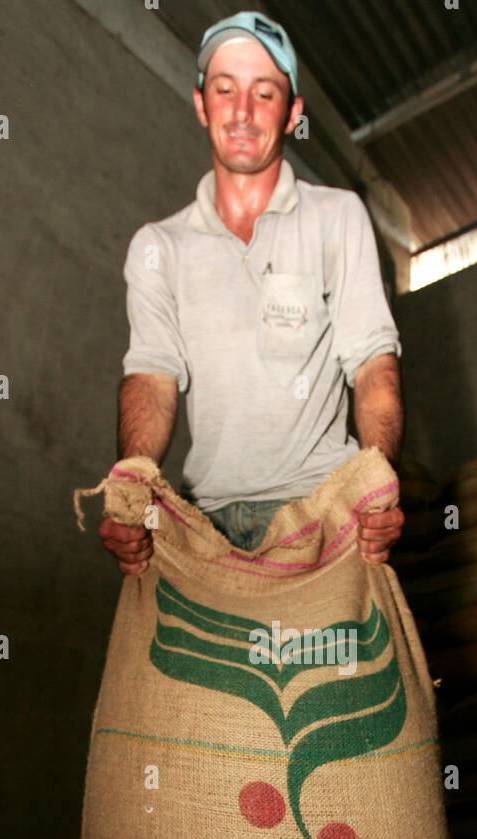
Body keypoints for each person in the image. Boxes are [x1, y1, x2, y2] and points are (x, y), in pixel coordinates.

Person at [100, 10, 405, 575]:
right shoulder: (158, 247)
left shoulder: (337, 216)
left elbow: (372, 364)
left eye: (264, 94)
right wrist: (132, 490)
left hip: (322, 515)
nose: (242, 112)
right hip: (205, 528)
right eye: (225, 89)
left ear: (292, 114)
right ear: (201, 104)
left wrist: (376, 483)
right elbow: (152, 376)